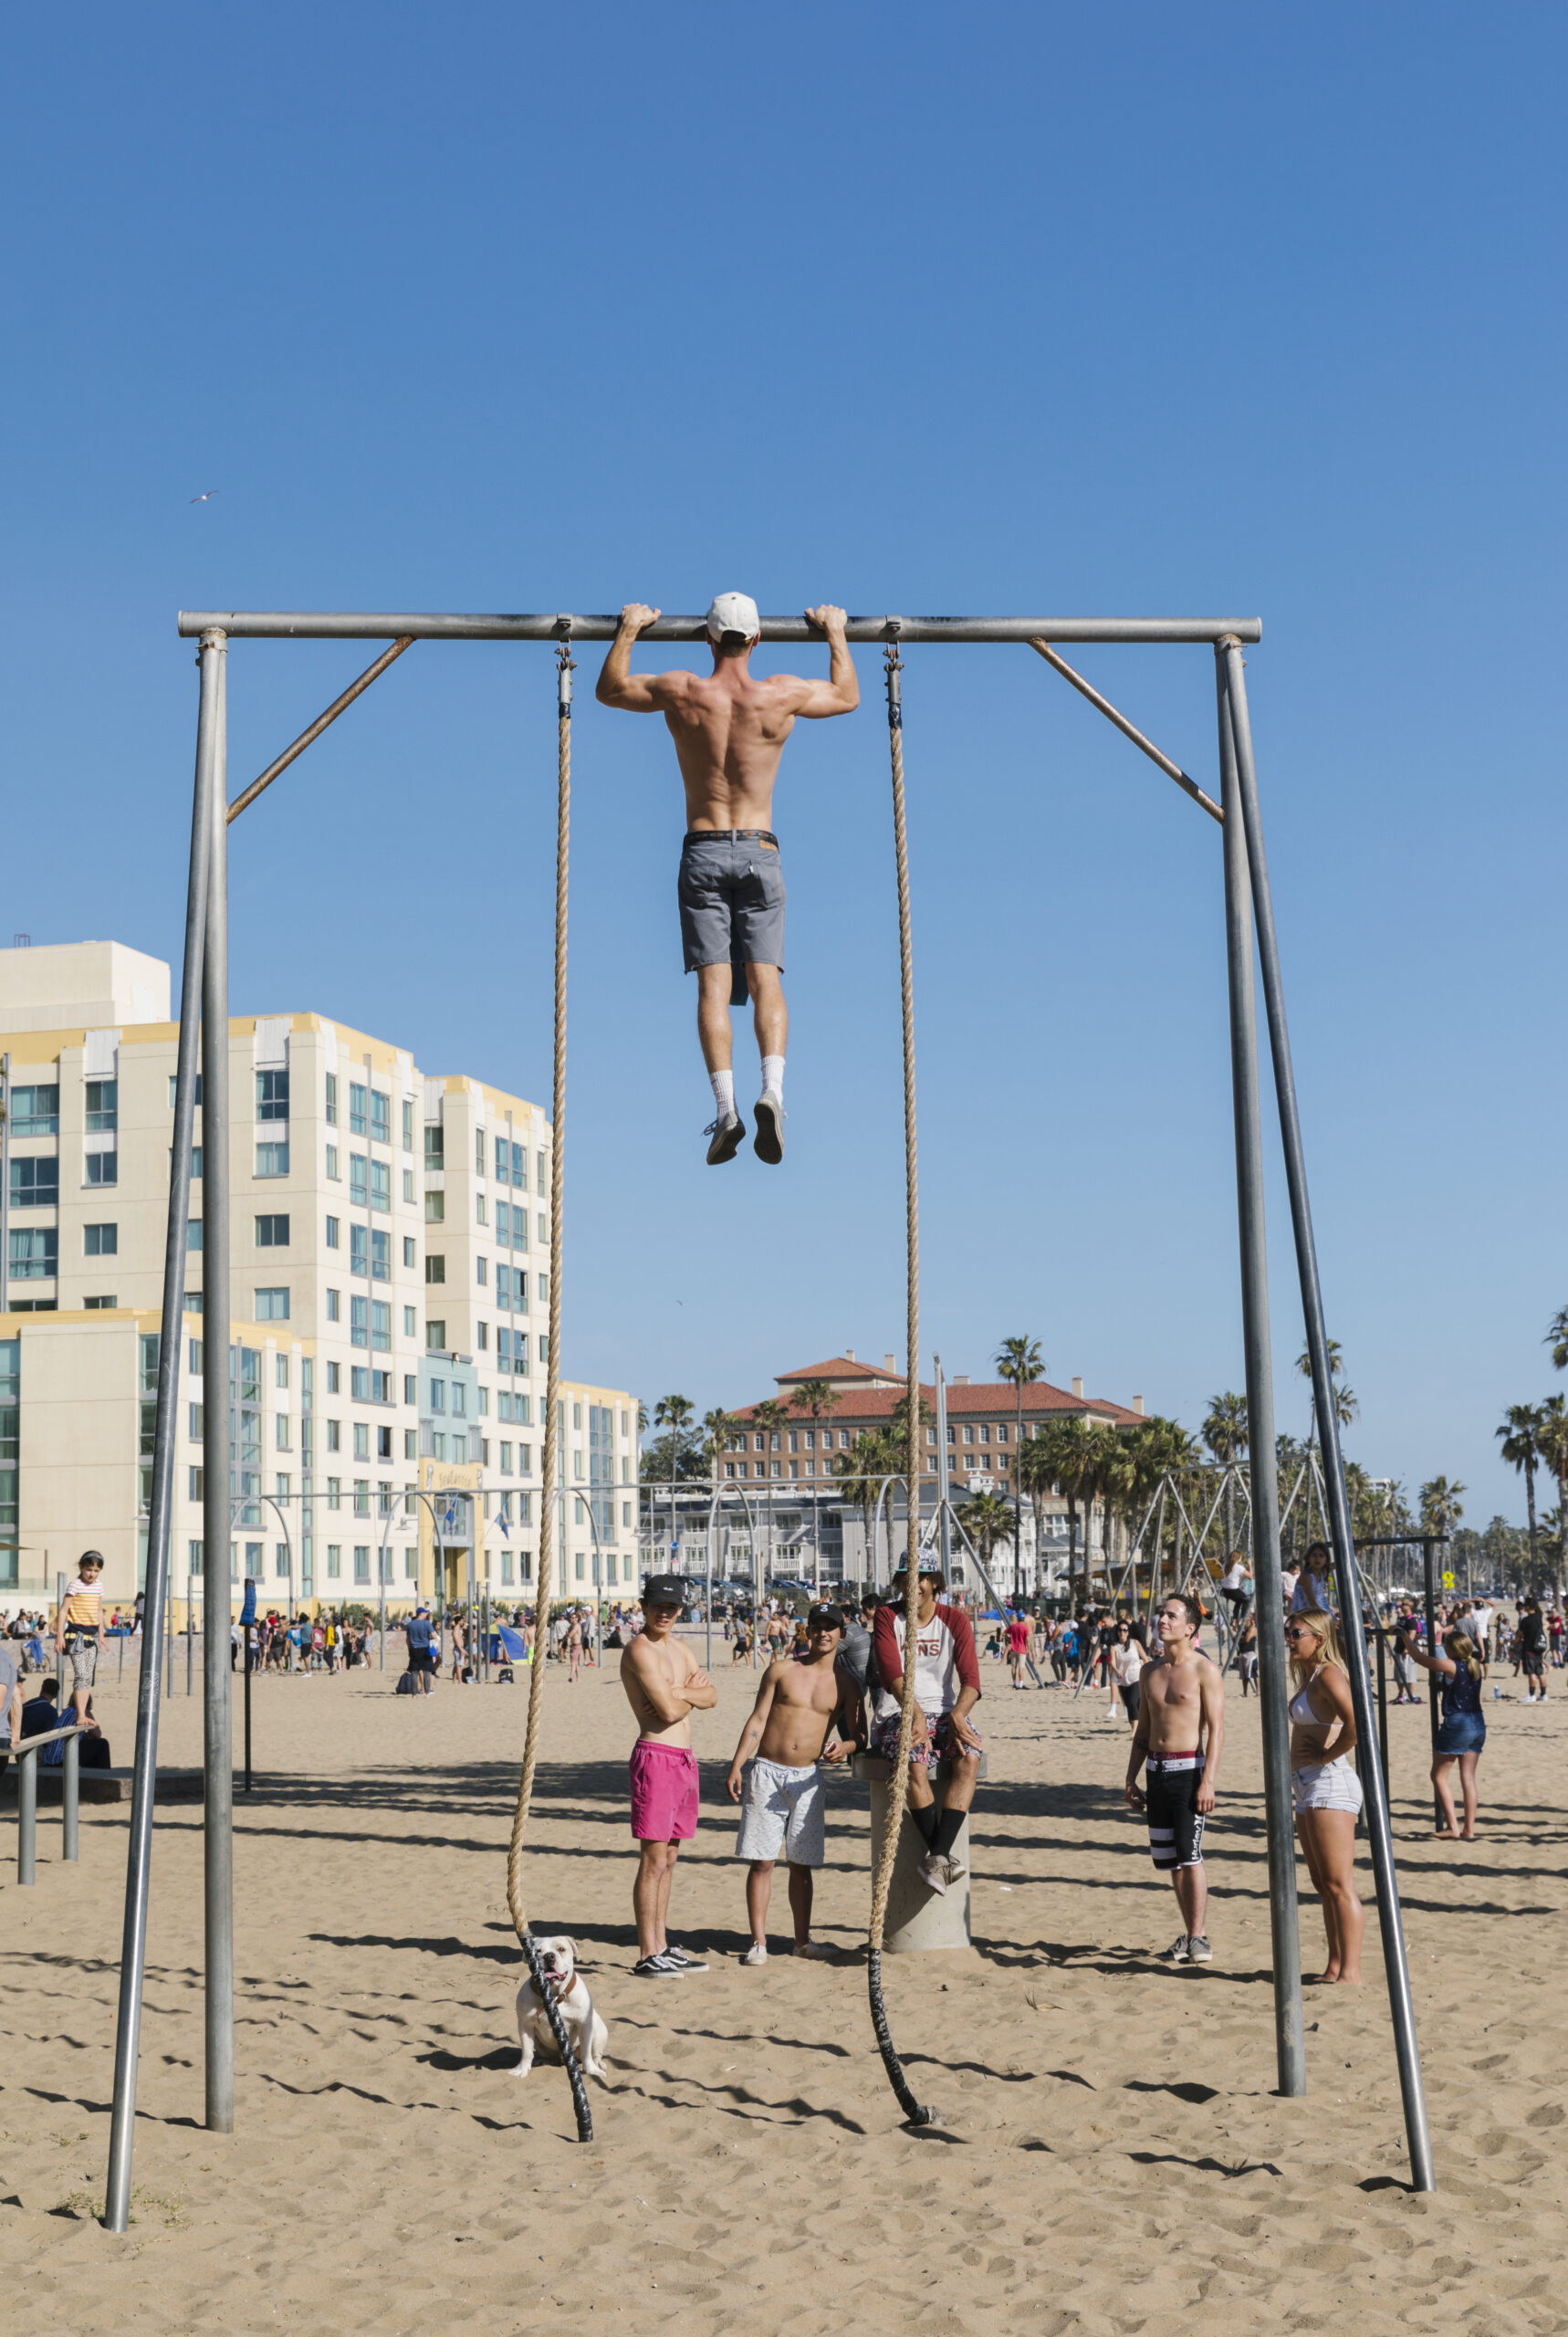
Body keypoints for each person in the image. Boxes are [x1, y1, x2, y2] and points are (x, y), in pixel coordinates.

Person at [595, 594, 860, 1166]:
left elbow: (610, 690)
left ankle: (726, 1109)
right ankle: (774, 1093)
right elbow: (847, 697)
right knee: (767, 982)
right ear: (758, 641)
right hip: (761, 851)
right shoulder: (780, 693)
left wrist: (630, 629)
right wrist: (836, 632)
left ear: (708, 640)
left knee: (714, 988)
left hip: (704, 850)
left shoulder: (684, 690)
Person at [726, 1602, 860, 1965]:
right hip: (766, 1771)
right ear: (808, 1631)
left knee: (801, 1864)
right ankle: (758, 1942)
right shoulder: (781, 1670)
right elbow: (757, 1719)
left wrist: (844, 1747)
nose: (823, 1632)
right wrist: (738, 1764)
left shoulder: (846, 1683)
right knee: (763, 1862)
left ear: (841, 1634)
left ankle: (802, 1941)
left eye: (830, 1627)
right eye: (816, 1626)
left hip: (807, 1779)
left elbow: (860, 1735)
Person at [620, 1575, 717, 1977]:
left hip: (684, 1759)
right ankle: (647, 1953)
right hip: (656, 1755)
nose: (665, 1612)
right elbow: (668, 1712)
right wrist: (683, 1693)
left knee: (671, 1858)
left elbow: (712, 1697)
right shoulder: (639, 1650)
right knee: (654, 1858)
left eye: (672, 1607)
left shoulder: (681, 1649)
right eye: (657, 1605)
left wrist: (676, 1691)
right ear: (643, 1606)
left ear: (681, 1610)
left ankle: (662, 1944)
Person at [870, 1564, 983, 1897]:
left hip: (945, 1710)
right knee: (914, 1762)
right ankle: (942, 1856)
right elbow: (891, 1674)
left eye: (921, 1577)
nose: (913, 1585)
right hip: (899, 1708)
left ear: (934, 1582)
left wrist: (960, 1715)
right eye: (906, 1577)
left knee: (969, 1757)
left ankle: (935, 1857)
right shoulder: (887, 1616)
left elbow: (971, 1680)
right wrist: (915, 1713)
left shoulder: (955, 1620)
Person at [1124, 1593, 1225, 1965]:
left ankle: (1199, 1936)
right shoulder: (1148, 1671)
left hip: (1189, 1771)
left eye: (1171, 1616)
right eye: (1160, 1615)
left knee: (1190, 1854)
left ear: (1190, 1627)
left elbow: (1217, 1730)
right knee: (1169, 1860)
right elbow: (1143, 1731)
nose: (1161, 1621)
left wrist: (1208, 1780)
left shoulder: (1204, 1670)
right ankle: (1189, 1933)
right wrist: (1130, 1779)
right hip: (1156, 1772)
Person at [1284, 1608, 1364, 1985]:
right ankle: (1334, 1966)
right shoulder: (1311, 1675)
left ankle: (1350, 1971)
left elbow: (1356, 1724)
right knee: (1321, 1883)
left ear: (1318, 1637)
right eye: (1288, 1631)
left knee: (1338, 1883)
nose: (1289, 1638)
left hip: (1329, 1782)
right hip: (1306, 1783)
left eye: (1295, 1632)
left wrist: (1326, 1756)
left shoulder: (1330, 1674)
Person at [1399, 1623, 1486, 1839]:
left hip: (1458, 1723)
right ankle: (1469, 1829)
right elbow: (1460, 1687)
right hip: (1477, 1722)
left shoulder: (1451, 1665)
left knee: (1438, 1776)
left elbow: (1420, 1659)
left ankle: (1453, 1827)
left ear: (1450, 1649)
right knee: (1468, 1778)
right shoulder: (1475, 1666)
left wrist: (1404, 1636)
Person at [54, 1550, 106, 1728]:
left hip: (91, 1636)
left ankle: (83, 1713)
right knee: (81, 1674)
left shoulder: (99, 1586)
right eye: (89, 1569)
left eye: (96, 1570)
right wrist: (59, 1635)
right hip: (76, 1635)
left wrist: (101, 1632)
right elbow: (63, 1610)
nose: (92, 1574)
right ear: (81, 1568)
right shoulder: (75, 1585)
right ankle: (80, 1714)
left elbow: (99, 1610)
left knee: (87, 1678)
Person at [1108, 1619, 1144, 1726]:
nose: (1122, 1632)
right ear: (1117, 1632)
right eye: (1120, 1630)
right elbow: (1112, 1662)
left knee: (1133, 1702)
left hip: (1136, 1677)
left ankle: (1135, 1732)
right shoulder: (1114, 1646)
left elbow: (1145, 1658)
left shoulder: (1135, 1643)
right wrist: (1116, 1670)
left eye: (1125, 1630)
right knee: (1129, 1705)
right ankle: (1135, 1728)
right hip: (1123, 1679)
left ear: (1128, 1632)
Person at [1517, 1596, 1548, 1702]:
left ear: (1527, 1606)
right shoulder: (1539, 1617)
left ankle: (1531, 1695)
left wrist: (1516, 1642)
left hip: (1529, 1648)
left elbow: (1520, 1634)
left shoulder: (1526, 1620)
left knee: (1532, 1673)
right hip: (1538, 1649)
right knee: (1540, 1672)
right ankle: (1544, 1695)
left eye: (1525, 1605)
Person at [1291, 1543, 1335, 1615]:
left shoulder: (1321, 1573)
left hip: (1318, 1610)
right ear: (1308, 1558)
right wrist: (1325, 1618)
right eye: (1314, 1555)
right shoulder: (1307, 1576)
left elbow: (1338, 1563)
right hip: (1305, 1614)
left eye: (1321, 1556)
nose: (1317, 1559)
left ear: (1326, 1560)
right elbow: (1311, 1601)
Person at [403, 1605, 436, 1695]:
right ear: (421, 1613)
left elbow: (407, 1639)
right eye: (425, 1613)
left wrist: (409, 1649)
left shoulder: (410, 1624)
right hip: (424, 1649)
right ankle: (427, 1692)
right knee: (426, 1671)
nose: (426, 1614)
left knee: (414, 1672)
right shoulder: (427, 1623)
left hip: (414, 1649)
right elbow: (434, 1635)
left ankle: (414, 1693)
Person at [1005, 1611, 1031, 1691]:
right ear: (1023, 1619)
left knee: (1013, 1667)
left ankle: (1014, 1684)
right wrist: (1029, 1650)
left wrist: (1009, 1639)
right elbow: (1027, 1640)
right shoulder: (1025, 1628)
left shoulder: (1013, 1626)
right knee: (1021, 1667)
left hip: (1013, 1649)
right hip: (1022, 1649)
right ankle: (1021, 1684)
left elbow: (1005, 1633)